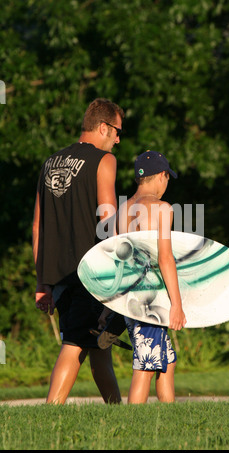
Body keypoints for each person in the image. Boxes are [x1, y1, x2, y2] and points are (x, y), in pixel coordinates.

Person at [32, 98, 125, 404]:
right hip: (91, 271)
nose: (118, 139)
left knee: (99, 349)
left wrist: (42, 282)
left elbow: (38, 226)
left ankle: (120, 413)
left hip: (58, 273)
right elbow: (107, 218)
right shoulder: (103, 160)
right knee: (75, 344)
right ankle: (50, 414)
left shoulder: (50, 162)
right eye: (116, 131)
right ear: (103, 127)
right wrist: (120, 269)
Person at [117, 150, 187, 404]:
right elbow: (165, 258)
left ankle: (169, 418)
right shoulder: (161, 208)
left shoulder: (123, 210)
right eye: (168, 179)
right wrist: (177, 305)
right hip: (151, 298)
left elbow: (119, 258)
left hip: (127, 296)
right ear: (161, 176)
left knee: (166, 362)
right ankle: (133, 426)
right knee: (145, 365)